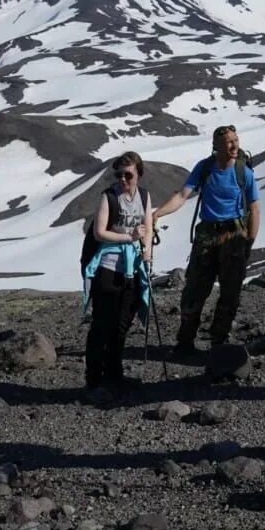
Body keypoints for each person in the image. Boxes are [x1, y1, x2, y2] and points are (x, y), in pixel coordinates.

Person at [154, 125, 261, 356]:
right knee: (194, 289)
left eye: (236, 140)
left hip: (234, 236)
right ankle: (185, 341)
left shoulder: (245, 173)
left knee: (230, 292)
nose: (234, 146)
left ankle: (219, 343)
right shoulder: (204, 168)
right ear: (216, 147)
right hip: (206, 236)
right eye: (228, 143)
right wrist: (158, 213)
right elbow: (183, 195)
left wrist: (249, 243)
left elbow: (254, 208)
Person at [81, 152, 153, 398]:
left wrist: (148, 255)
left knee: (122, 324)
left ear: (138, 175)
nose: (123, 179)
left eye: (128, 175)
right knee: (102, 324)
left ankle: (114, 373)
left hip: (133, 268)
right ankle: (94, 380)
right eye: (119, 174)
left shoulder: (144, 196)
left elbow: (148, 227)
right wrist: (128, 237)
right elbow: (100, 233)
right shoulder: (109, 197)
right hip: (109, 267)